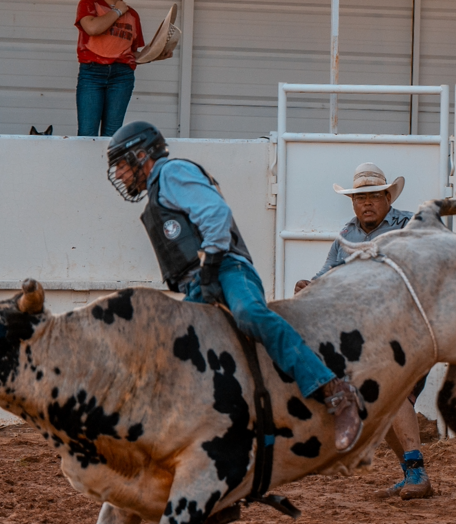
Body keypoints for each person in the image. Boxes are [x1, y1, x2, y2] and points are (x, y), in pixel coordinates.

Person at [106, 121, 364, 452]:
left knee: (250, 314)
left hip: (227, 267)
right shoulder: (159, 190)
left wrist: (212, 267)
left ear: (142, 155)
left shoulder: (172, 173)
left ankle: (335, 391)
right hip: (197, 284)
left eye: (123, 165)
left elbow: (216, 214)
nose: (121, 175)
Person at [294, 163, 431, 500]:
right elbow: (327, 274)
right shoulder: (346, 236)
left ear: (387, 197)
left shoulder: (409, 225)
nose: (366, 203)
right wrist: (310, 286)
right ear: (353, 204)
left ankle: (416, 473)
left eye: (373, 196)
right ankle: (414, 475)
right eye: (360, 198)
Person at [76, 0, 144, 137]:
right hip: (92, 73)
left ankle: (108, 166)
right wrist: (118, 11)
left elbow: (133, 52)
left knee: (112, 135)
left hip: (121, 76)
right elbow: (92, 28)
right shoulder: (88, 4)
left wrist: (160, 53)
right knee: (87, 134)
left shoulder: (133, 15)